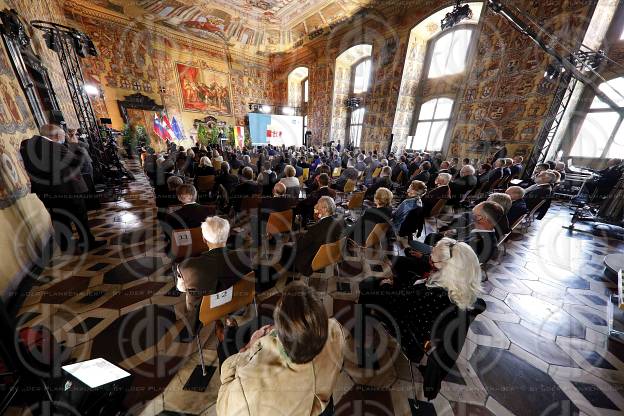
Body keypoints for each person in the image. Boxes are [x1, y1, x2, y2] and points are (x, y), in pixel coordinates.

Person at [216, 282, 345, 416]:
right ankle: (229, 331)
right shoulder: (335, 330)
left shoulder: (244, 395)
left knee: (225, 349)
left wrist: (249, 348)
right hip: (321, 408)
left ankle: (227, 334)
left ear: (280, 333)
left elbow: (223, 409)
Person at [359, 238, 482, 358]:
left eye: (432, 261)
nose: (430, 262)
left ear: (448, 268)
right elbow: (413, 292)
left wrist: (386, 285)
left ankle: (362, 340)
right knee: (377, 282)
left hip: (409, 331)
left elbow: (393, 301)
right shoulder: (459, 286)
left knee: (366, 289)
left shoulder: (431, 293)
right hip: (417, 309)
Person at [20, 124, 105, 252]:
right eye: (62, 136)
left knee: (59, 218)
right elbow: (78, 161)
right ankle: (87, 243)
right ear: (57, 136)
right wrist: (75, 145)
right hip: (67, 189)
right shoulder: (55, 147)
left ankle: (66, 247)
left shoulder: (27, 146)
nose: (63, 138)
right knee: (80, 217)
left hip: (45, 191)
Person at [176, 217, 252, 329]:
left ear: (204, 239)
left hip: (202, 315)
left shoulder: (187, 267)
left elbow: (181, 289)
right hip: (237, 302)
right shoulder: (246, 256)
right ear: (227, 236)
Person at [281, 196, 345, 276]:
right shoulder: (339, 222)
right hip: (331, 254)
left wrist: (292, 243)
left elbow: (300, 246)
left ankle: (290, 269)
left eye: (318, 206)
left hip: (312, 259)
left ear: (325, 209)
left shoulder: (315, 228)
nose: (316, 208)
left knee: (286, 248)